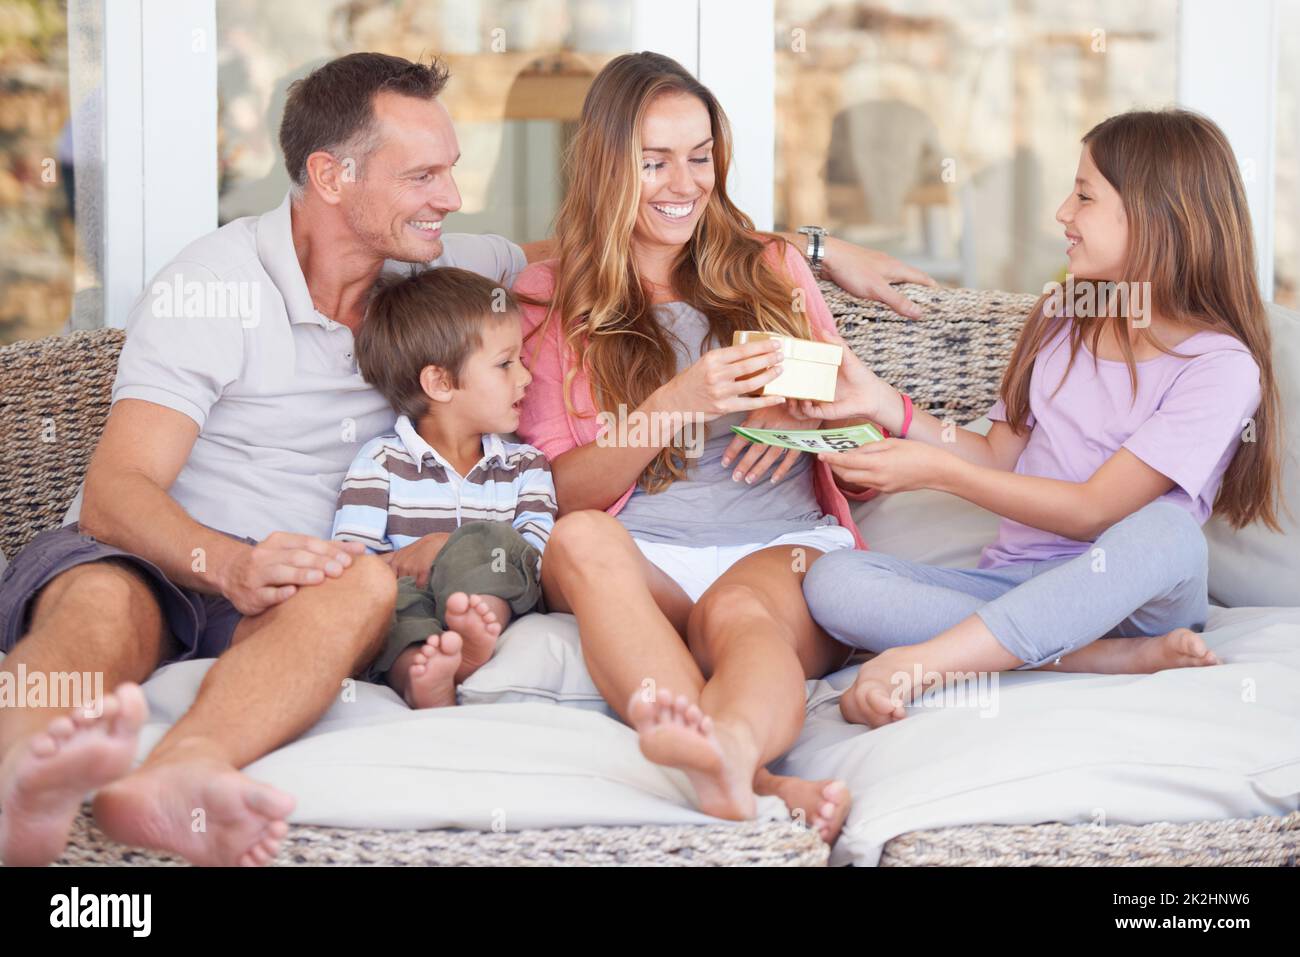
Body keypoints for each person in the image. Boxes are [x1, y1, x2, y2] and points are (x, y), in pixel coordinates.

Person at [0, 50, 924, 866]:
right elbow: (117, 494)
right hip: (173, 553)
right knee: (101, 604)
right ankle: (13, 787)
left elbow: (626, 234)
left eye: (449, 173)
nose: (450, 197)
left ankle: (182, 772)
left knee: (359, 588)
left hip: (327, 576)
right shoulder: (213, 285)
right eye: (424, 176)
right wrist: (229, 562)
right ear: (330, 175)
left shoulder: (435, 277)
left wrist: (808, 249)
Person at [514, 52, 933, 843]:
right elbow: (561, 493)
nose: (684, 184)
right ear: (607, 166)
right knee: (574, 540)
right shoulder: (553, 299)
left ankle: (733, 750)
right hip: (651, 557)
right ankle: (759, 777)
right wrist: (678, 401)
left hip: (777, 546)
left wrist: (808, 429)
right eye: (655, 162)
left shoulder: (771, 269)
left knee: (738, 608)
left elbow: (866, 451)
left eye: (700, 158)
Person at [798, 110, 1282, 727]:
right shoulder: (1063, 316)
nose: (1062, 213)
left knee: (1168, 531)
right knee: (835, 580)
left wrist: (937, 474)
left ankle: (932, 661)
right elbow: (1001, 457)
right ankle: (1096, 658)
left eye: (1083, 196)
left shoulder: (1219, 365)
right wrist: (886, 406)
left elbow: (1094, 510)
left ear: (1157, 214)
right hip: (1017, 589)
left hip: (1132, 597)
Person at [332, 268, 555, 709]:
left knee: (495, 542)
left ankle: (475, 634)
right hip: (409, 596)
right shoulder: (380, 463)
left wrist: (450, 547)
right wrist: (408, 559)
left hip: (496, 601)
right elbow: (351, 562)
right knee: (387, 605)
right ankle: (421, 676)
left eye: (522, 361)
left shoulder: (525, 466)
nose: (526, 378)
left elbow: (538, 557)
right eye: (506, 363)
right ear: (440, 383)